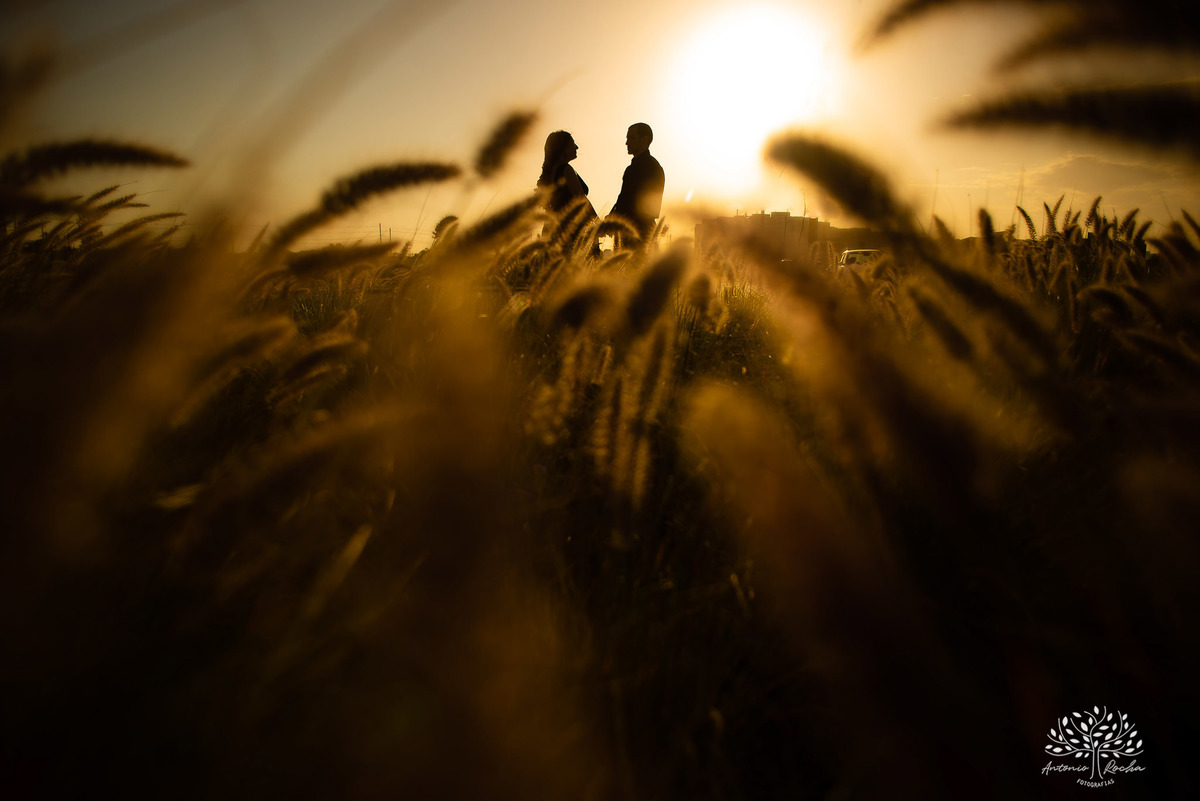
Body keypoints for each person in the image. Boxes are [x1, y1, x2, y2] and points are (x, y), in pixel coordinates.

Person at [536, 130, 598, 253]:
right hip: (571, 230)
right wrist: (598, 223)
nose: (576, 147)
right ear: (563, 148)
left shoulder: (549, 174)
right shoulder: (566, 170)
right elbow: (581, 200)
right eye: (572, 144)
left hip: (552, 228)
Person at [607, 122, 665, 249]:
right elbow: (623, 198)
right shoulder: (651, 166)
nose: (626, 143)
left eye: (631, 138)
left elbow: (628, 200)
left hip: (636, 232)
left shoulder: (646, 168)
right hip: (639, 230)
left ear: (644, 139)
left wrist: (613, 219)